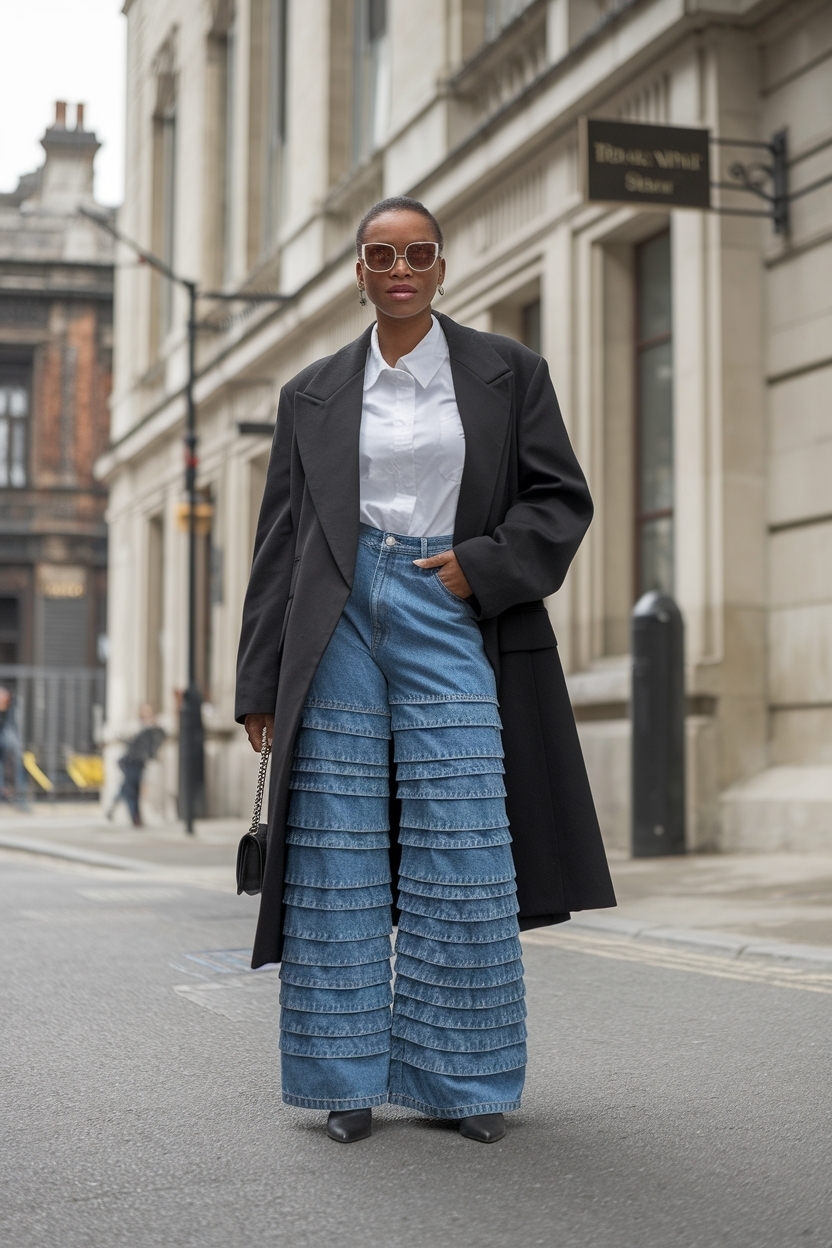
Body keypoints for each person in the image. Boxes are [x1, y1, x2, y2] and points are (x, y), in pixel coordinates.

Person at [236, 196, 615, 1145]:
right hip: (339, 616)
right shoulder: (312, 392)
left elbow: (560, 499)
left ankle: (465, 1082)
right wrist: (257, 685)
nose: (399, 268)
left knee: (466, 847)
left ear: (442, 266)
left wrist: (480, 567)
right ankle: (344, 1079)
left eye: (418, 253)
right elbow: (280, 544)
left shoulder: (507, 372)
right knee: (337, 851)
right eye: (380, 254)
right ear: (358, 272)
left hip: (451, 599)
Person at [107, 705, 165, 827]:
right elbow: (125, 737)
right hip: (130, 762)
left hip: (139, 763)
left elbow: (158, 739)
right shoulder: (136, 726)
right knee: (131, 790)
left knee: (127, 788)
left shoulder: (154, 727)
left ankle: (115, 808)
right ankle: (135, 818)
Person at [0, 686, 28, 807]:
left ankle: (20, 797)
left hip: (9, 740)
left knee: (16, 767)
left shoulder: (10, 708)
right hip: (9, 741)